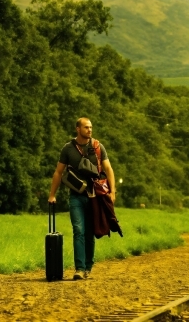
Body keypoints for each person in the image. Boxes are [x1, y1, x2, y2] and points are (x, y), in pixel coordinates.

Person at [48, 117, 116, 280]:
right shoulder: (68, 149)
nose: (90, 130)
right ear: (77, 129)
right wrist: (52, 194)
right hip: (76, 196)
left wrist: (112, 192)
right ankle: (79, 268)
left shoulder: (98, 147)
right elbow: (58, 172)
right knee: (78, 230)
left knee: (90, 232)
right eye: (86, 127)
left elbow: (108, 168)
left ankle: (88, 267)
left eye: (91, 127)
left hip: (95, 197)